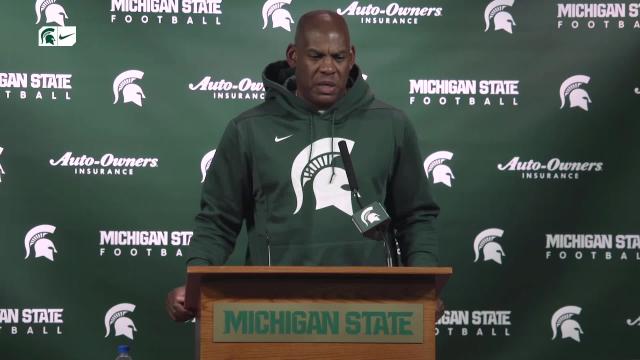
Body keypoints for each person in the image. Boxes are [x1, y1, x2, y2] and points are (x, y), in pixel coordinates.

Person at [166, 10, 440, 322]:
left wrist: (423, 284)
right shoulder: (249, 129)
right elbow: (218, 221)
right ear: (293, 56)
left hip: (373, 312)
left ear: (351, 58)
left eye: (338, 57)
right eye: (315, 56)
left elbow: (416, 216)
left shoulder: (391, 124)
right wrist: (195, 284)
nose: (328, 68)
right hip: (272, 314)